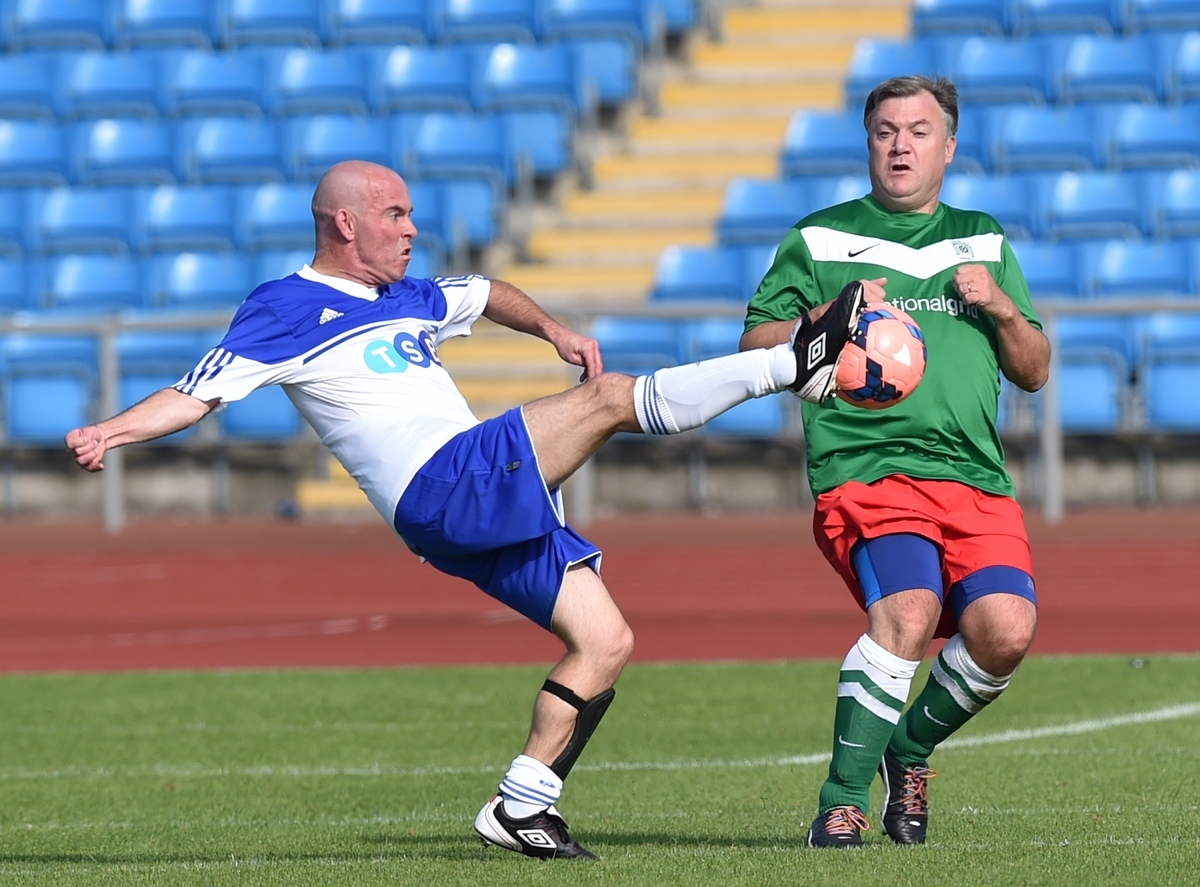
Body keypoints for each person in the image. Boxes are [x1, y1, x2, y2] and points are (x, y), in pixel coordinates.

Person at [66, 160, 864, 860]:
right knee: (610, 399)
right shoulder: (284, 307)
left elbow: (484, 294)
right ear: (345, 223)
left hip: (473, 500)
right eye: (395, 214)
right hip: (443, 484)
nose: (413, 228)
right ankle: (793, 361)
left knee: (605, 641)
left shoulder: (409, 293)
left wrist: (549, 324)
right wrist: (112, 428)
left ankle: (523, 802)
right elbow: (195, 393)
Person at [741, 76, 1050, 848]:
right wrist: (828, 315)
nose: (900, 144)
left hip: (975, 478)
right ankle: (839, 801)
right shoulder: (819, 241)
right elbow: (753, 345)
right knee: (908, 615)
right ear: (868, 142)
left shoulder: (983, 240)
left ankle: (907, 750)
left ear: (948, 146)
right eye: (885, 130)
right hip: (868, 469)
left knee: (1006, 629)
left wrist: (1004, 308)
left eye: (918, 131)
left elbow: (1035, 368)